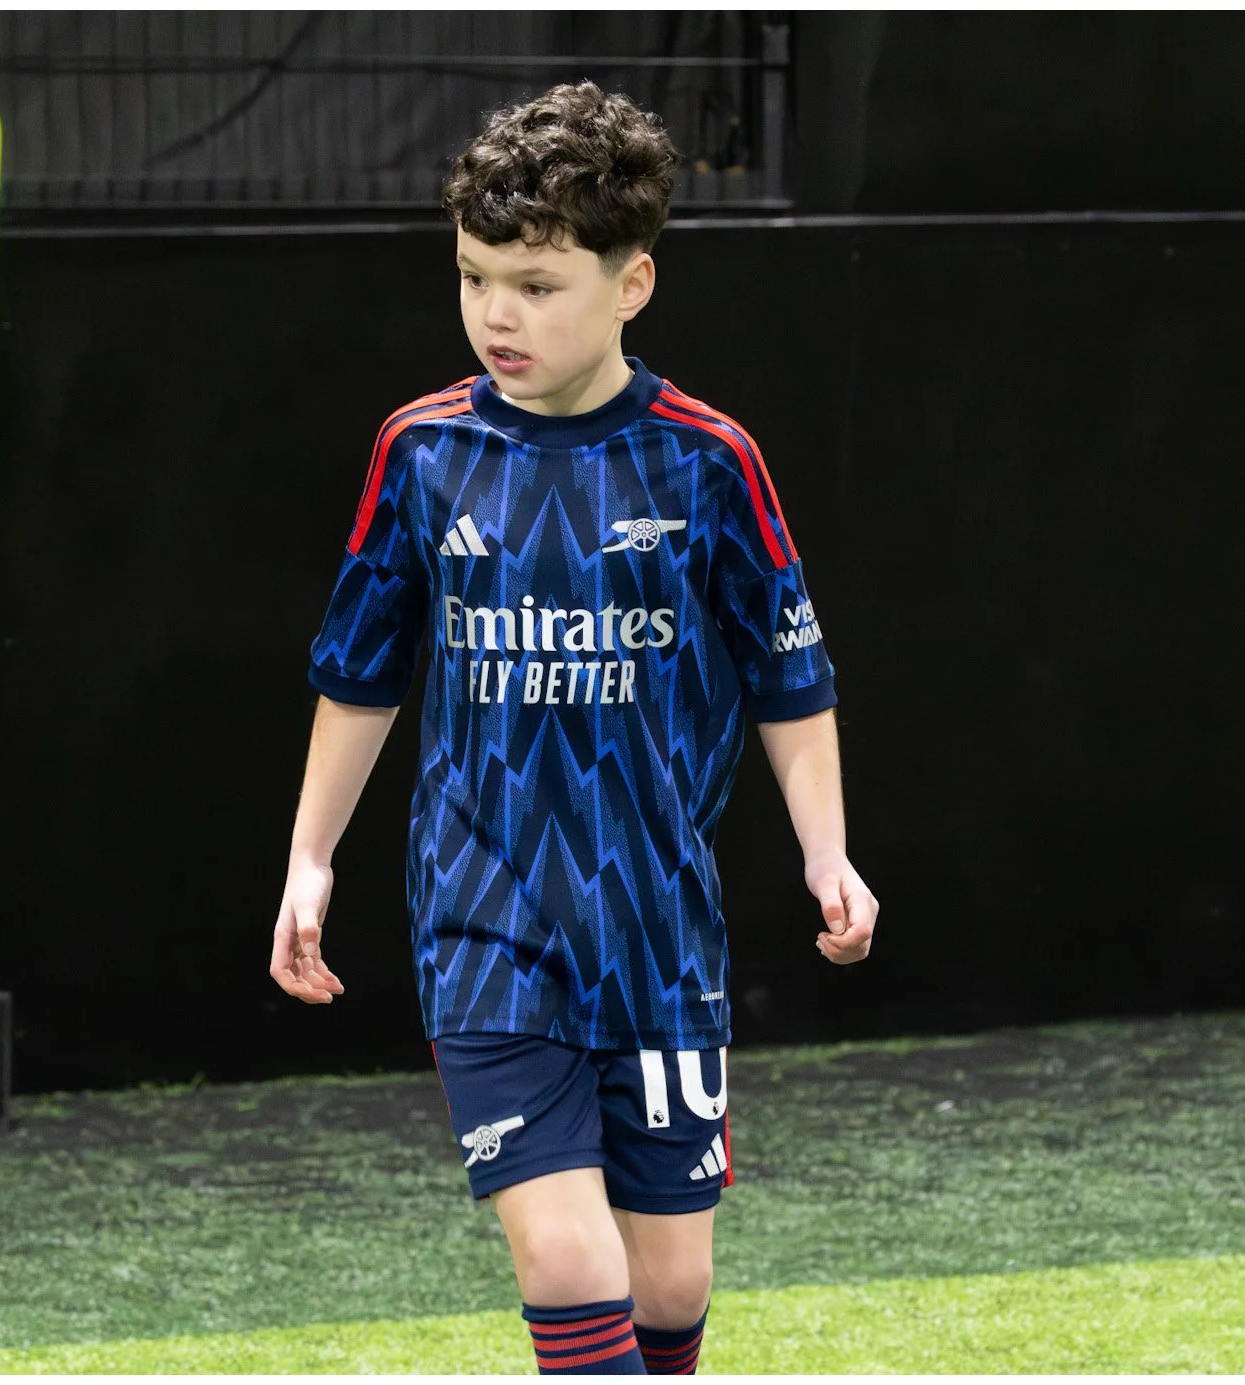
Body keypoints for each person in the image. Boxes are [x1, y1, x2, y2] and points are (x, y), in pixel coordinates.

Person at [269, 81, 877, 1376]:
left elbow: (789, 677)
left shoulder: (710, 462)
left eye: (538, 284)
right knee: (565, 1257)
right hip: (484, 914)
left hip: (655, 928)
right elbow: (361, 672)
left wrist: (828, 855)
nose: (499, 312)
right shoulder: (423, 453)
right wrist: (310, 859)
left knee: (667, 1286)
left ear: (632, 283)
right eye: (476, 277)